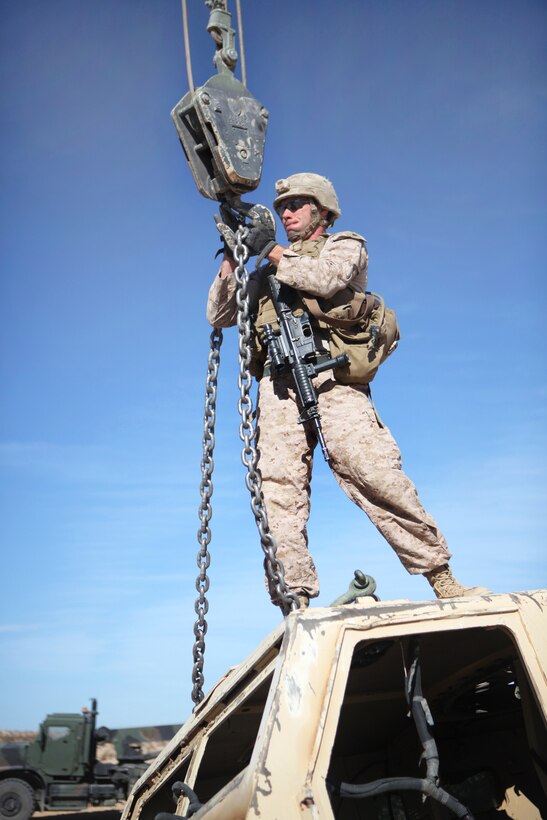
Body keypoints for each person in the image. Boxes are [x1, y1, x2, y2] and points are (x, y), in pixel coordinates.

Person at [207, 173, 487, 608]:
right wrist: (232, 254)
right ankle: (294, 601)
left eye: (298, 204)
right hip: (278, 387)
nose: (286, 212)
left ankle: (440, 576)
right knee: (279, 492)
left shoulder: (345, 246)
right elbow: (219, 313)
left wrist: (269, 250)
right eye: (283, 206)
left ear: (322, 211)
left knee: (374, 474)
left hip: (334, 381)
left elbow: (324, 279)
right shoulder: (267, 270)